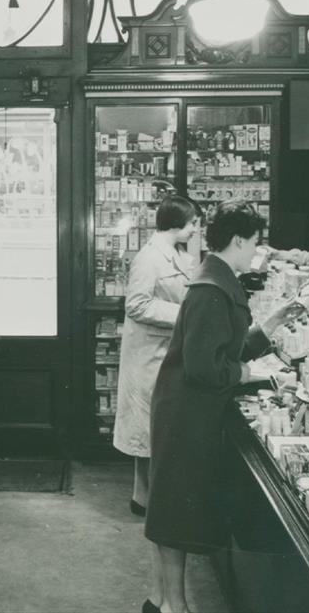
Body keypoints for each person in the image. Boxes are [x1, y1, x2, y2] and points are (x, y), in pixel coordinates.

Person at [144, 200, 304, 613]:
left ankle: (163, 600)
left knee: (173, 506)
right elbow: (204, 368)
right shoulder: (210, 289)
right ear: (237, 240)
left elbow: (227, 348)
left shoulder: (218, 280)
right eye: (254, 242)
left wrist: (273, 322)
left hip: (190, 408)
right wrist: (252, 376)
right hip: (185, 412)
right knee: (174, 510)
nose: (257, 251)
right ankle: (172, 606)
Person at [113, 196, 200, 517]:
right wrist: (186, 313)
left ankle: (146, 499)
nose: (195, 230)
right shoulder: (148, 259)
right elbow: (136, 304)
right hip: (149, 356)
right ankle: (147, 500)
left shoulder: (178, 255)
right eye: (192, 224)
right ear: (176, 223)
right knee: (149, 432)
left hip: (166, 352)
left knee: (154, 432)